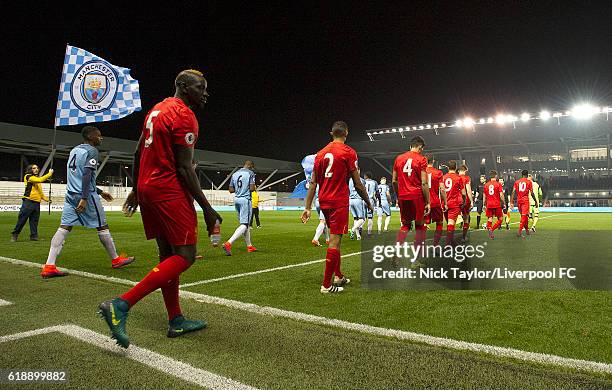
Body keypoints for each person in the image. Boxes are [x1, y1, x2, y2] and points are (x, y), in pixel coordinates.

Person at [98, 70, 223, 348]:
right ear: (182, 86)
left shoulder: (157, 109)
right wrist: (207, 208)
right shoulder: (184, 115)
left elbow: (138, 151)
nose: (205, 93)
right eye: (200, 87)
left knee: (168, 254)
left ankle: (176, 319)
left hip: (148, 188)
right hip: (168, 189)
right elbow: (183, 167)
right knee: (186, 255)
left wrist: (136, 188)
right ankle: (121, 304)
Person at [40, 126, 134, 278]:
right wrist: (84, 198)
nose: (101, 138)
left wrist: (100, 191)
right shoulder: (92, 151)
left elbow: (78, 176)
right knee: (102, 225)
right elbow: (86, 174)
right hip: (85, 196)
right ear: (91, 137)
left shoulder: (75, 151)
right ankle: (116, 259)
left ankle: (49, 265)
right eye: (99, 136)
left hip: (71, 194)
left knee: (64, 226)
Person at [301, 121, 372, 293]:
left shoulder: (320, 154)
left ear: (331, 133)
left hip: (323, 200)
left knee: (335, 238)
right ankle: (326, 285)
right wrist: (368, 202)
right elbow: (358, 184)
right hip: (338, 201)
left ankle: (338, 275)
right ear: (346, 133)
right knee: (335, 240)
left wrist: (307, 207)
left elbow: (312, 184)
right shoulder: (349, 152)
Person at [392, 136, 430, 261]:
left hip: (403, 196)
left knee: (406, 225)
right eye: (421, 149)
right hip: (416, 196)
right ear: (420, 147)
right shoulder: (421, 159)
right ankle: (417, 259)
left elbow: (394, 181)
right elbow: (424, 183)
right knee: (420, 226)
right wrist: (428, 202)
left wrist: (399, 195)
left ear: (410, 145)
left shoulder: (399, 158)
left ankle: (397, 251)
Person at [11, 164, 53, 242]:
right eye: (34, 168)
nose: (36, 169)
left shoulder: (37, 179)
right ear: (30, 169)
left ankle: (33, 236)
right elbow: (40, 180)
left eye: (37, 168)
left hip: (37, 203)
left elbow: (40, 193)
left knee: (34, 221)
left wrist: (47, 199)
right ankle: (15, 234)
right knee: (22, 219)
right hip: (28, 202)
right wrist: (49, 174)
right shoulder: (28, 176)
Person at [223, 161, 257, 255]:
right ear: (250, 166)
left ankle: (249, 246)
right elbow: (252, 188)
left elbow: (230, 190)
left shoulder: (235, 174)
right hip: (245, 200)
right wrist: (250, 188)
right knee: (245, 224)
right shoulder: (250, 173)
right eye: (252, 168)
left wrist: (239, 190)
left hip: (237, 199)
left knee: (244, 224)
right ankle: (228, 243)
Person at [425, 155, 447, 245]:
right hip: (435, 202)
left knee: (421, 224)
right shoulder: (438, 173)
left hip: (424, 202)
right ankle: (435, 245)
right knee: (439, 223)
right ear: (433, 161)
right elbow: (442, 189)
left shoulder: (421, 172)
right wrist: (445, 202)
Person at [442, 161, 465, 245]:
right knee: (451, 224)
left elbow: (440, 190)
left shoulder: (443, 177)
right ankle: (447, 245)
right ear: (456, 168)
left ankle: (452, 242)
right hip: (454, 203)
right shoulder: (458, 178)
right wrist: (464, 201)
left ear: (448, 168)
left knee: (449, 223)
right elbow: (463, 193)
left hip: (444, 203)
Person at [511, 170, 537, 238]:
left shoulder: (517, 182)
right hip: (525, 201)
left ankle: (527, 231)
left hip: (519, 201)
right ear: (527, 175)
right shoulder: (529, 182)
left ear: (521, 174)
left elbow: (513, 192)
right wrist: (536, 201)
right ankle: (519, 232)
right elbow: (531, 193)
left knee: (524, 217)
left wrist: (511, 202)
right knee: (524, 217)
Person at [483, 170, 506, 239]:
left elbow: (484, 196)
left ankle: (490, 231)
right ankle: (492, 229)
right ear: (496, 176)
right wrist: (504, 203)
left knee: (490, 218)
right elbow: (501, 195)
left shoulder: (486, 185)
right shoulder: (498, 184)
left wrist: (484, 204)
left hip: (489, 204)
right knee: (500, 219)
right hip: (497, 204)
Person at [348, 171, 366, 240]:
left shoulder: (350, 180)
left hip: (351, 200)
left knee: (356, 218)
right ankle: (352, 229)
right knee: (362, 219)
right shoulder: (361, 180)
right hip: (358, 200)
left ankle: (358, 236)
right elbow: (363, 190)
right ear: (358, 171)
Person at [458, 165, 474, 241]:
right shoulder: (467, 178)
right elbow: (468, 190)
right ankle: (463, 237)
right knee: (466, 218)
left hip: (455, 200)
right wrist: (471, 201)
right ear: (465, 171)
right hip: (465, 200)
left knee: (452, 220)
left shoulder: (455, 177)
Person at [363, 172, 380, 237]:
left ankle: (360, 230)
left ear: (366, 176)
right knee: (370, 217)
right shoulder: (374, 182)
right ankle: (369, 232)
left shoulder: (363, 181)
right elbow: (377, 193)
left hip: (363, 199)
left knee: (362, 217)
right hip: (370, 200)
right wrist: (378, 201)